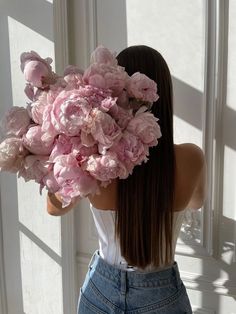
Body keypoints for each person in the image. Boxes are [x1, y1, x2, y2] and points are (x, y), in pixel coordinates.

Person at [47, 45, 207, 313]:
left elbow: (54, 207)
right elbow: (196, 202)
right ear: (163, 96)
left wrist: (68, 152)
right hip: (161, 294)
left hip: (101, 290)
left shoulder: (94, 160)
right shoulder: (191, 159)